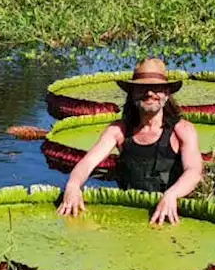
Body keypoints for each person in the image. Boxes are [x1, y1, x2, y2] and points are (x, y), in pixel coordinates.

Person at [56, 58, 203, 225]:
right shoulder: (119, 131)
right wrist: (74, 185)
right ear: (132, 93)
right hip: (127, 214)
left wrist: (172, 195)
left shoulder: (182, 130)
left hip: (170, 213)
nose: (149, 93)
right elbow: (88, 162)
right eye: (142, 88)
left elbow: (194, 172)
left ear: (167, 93)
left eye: (156, 88)